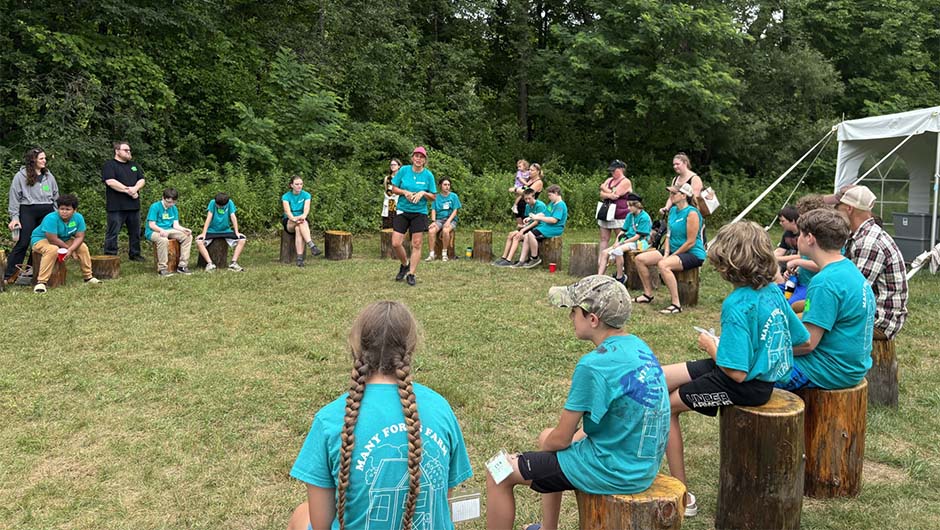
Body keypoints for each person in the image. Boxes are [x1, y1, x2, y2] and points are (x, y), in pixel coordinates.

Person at [486, 275, 670, 530]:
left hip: (613, 470)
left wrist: (517, 457)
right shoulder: (639, 347)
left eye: (574, 312)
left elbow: (561, 439)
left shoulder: (593, 366)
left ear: (592, 319)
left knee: (499, 473)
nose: (570, 317)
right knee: (545, 440)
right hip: (640, 465)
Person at [662, 221, 809, 517]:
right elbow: (801, 339)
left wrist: (710, 345)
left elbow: (734, 372)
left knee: (666, 406)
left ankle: (682, 495)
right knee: (658, 379)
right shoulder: (772, 291)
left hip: (744, 386)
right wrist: (759, 350)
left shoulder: (736, 304)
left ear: (728, 264)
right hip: (753, 376)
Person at [287, 301, 473, 530]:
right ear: (411, 346)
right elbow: (442, 502)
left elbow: (321, 524)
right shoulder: (440, 409)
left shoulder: (330, 420)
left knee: (301, 514)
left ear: (356, 347)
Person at [775, 208, 875, 392]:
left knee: (747, 375)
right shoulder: (848, 269)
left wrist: (767, 348)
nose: (798, 239)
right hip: (851, 366)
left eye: (801, 234)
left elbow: (807, 343)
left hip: (827, 370)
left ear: (810, 238)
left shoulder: (824, 282)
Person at [824, 185, 908, 340]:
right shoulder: (862, 235)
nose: (835, 212)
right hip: (868, 311)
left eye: (838, 208)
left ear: (849, 208)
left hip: (879, 321)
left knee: (816, 327)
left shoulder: (869, 242)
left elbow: (855, 293)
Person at [633, 182, 705, 314]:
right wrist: (666, 252)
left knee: (663, 265)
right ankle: (648, 294)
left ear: (684, 195)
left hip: (693, 253)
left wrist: (671, 256)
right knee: (640, 259)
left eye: (674, 193)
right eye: (670, 193)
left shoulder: (692, 213)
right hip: (673, 250)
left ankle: (676, 304)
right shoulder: (672, 211)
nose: (670, 196)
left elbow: (690, 242)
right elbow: (668, 235)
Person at [5, 147, 58, 284]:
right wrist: (15, 217)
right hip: (28, 209)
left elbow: (55, 195)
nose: (44, 161)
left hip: (47, 210)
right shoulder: (20, 176)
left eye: (45, 158)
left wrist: (57, 214)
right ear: (33, 160)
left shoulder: (48, 176)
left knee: (42, 242)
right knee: (23, 242)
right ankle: (8, 275)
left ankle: (32, 272)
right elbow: (14, 197)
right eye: (41, 158)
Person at [29, 194, 100, 293]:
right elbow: (52, 239)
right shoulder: (51, 218)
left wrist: (71, 249)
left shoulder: (78, 218)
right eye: (61, 209)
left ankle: (88, 277)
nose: (64, 212)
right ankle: (41, 282)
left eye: (68, 209)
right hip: (42, 239)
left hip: (63, 239)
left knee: (82, 247)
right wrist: (69, 249)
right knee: (52, 249)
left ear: (74, 210)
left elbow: (80, 236)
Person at [389, 146, 437, 286]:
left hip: (419, 213)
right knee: (396, 243)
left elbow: (433, 196)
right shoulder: (404, 171)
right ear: (412, 158)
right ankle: (405, 264)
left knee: (416, 243)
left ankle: (411, 273)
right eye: (416, 156)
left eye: (421, 157)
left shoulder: (428, 175)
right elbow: (393, 188)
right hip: (403, 210)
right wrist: (405, 192)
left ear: (424, 160)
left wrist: (423, 193)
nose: (418, 159)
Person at [102, 141, 146, 262]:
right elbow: (110, 182)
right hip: (116, 206)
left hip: (133, 206)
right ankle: (110, 255)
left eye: (129, 150)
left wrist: (135, 189)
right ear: (117, 151)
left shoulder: (134, 165)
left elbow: (142, 180)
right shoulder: (109, 165)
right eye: (125, 150)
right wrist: (129, 191)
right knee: (113, 232)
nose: (128, 152)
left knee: (135, 232)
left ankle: (135, 254)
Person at [597, 194, 651, 282]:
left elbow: (637, 236)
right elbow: (623, 231)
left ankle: (620, 277)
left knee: (617, 250)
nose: (628, 208)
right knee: (604, 252)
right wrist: (617, 241)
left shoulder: (644, 217)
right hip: (627, 240)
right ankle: (599, 277)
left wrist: (621, 243)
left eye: (630, 206)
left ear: (637, 205)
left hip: (640, 242)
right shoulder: (630, 215)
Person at [516, 184, 567, 269]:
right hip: (547, 227)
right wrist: (531, 217)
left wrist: (538, 218)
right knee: (528, 235)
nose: (549, 197)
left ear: (556, 193)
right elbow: (544, 213)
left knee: (531, 234)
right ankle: (521, 260)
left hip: (555, 229)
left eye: (550, 195)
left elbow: (554, 220)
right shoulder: (552, 203)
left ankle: (535, 258)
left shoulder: (560, 205)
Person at [146, 188, 194, 276]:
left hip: (169, 229)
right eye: (168, 202)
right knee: (163, 240)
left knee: (188, 236)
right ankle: (162, 269)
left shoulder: (174, 208)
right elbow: (151, 225)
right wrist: (161, 230)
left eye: (173, 202)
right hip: (154, 231)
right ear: (163, 198)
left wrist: (184, 229)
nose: (171, 204)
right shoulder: (155, 207)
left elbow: (176, 225)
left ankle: (182, 266)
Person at [493, 188, 546, 267]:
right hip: (530, 228)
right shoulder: (527, 206)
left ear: (534, 197)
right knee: (511, 234)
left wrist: (523, 229)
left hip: (539, 228)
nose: (527, 201)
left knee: (517, 236)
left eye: (529, 198)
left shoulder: (540, 205)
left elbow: (536, 222)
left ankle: (509, 260)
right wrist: (523, 225)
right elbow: (529, 220)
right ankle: (504, 258)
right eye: (525, 199)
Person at [195, 192, 247, 272]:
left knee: (242, 239)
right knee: (199, 241)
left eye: (220, 206)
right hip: (212, 231)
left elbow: (233, 217)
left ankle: (233, 263)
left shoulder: (230, 203)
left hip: (226, 230)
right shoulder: (212, 203)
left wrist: (236, 232)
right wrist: (203, 233)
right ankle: (210, 264)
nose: (218, 206)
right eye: (217, 205)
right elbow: (209, 217)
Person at [282, 175, 322, 267]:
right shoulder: (286, 196)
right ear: (291, 185)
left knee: (299, 228)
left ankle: (299, 259)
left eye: (301, 184)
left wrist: (302, 217)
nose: (299, 186)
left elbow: (306, 211)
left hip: (302, 219)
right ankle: (312, 245)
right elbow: (288, 213)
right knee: (299, 224)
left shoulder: (306, 195)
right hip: (290, 221)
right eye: (296, 184)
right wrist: (295, 219)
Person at [597, 160, 633, 250]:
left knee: (620, 239)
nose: (612, 172)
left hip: (619, 214)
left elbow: (616, 194)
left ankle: (621, 261)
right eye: (611, 170)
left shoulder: (626, 181)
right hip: (606, 212)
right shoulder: (609, 180)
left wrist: (603, 188)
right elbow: (601, 195)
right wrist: (609, 195)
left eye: (614, 170)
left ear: (621, 169)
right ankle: (601, 261)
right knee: (604, 238)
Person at [425, 177, 461, 262]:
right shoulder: (436, 197)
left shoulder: (454, 196)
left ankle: (444, 254)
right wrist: (433, 222)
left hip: (451, 219)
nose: (447, 186)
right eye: (445, 184)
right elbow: (433, 210)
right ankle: (431, 254)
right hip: (439, 220)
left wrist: (448, 221)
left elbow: (455, 211)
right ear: (441, 186)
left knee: (445, 230)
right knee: (431, 230)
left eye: (448, 185)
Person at [512, 162, 544, 228]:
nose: (530, 171)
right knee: (520, 227)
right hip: (519, 205)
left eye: (532, 170)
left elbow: (527, 192)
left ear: (538, 172)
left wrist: (516, 189)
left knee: (526, 226)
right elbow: (521, 189)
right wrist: (518, 190)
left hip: (527, 206)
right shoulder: (529, 180)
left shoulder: (538, 182)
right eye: (529, 169)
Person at [510, 159, 531, 226]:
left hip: (523, 186)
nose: (518, 168)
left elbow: (529, 177)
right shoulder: (519, 172)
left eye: (520, 166)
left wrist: (527, 183)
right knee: (520, 195)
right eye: (518, 167)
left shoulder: (528, 172)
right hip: (518, 185)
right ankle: (515, 205)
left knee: (522, 195)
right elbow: (521, 179)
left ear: (525, 166)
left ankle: (515, 205)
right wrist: (526, 184)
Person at [381, 159, 401, 229]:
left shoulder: (402, 178)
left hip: (399, 202)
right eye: (391, 165)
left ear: (399, 166)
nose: (392, 166)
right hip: (389, 202)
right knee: (388, 221)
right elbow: (386, 189)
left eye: (394, 165)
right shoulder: (387, 178)